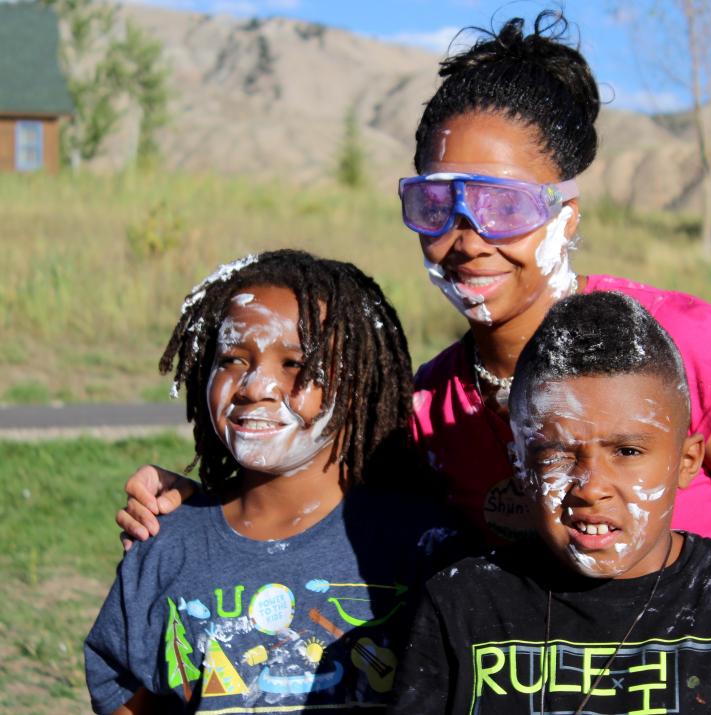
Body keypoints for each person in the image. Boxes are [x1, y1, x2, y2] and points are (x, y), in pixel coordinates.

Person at [116, 13, 711, 715]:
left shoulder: (678, 348)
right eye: (435, 203)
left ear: (566, 214)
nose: (466, 237)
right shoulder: (428, 410)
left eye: (502, 204)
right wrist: (202, 503)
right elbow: (313, 500)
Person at [390, 292, 711, 714]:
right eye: (558, 454)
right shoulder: (462, 606)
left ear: (686, 462)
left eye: (627, 451)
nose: (590, 487)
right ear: (520, 466)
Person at [86, 250, 455, 714]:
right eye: (232, 359)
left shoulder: (424, 545)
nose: (254, 386)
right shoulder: (167, 546)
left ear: (360, 382)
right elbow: (127, 696)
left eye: (295, 364)